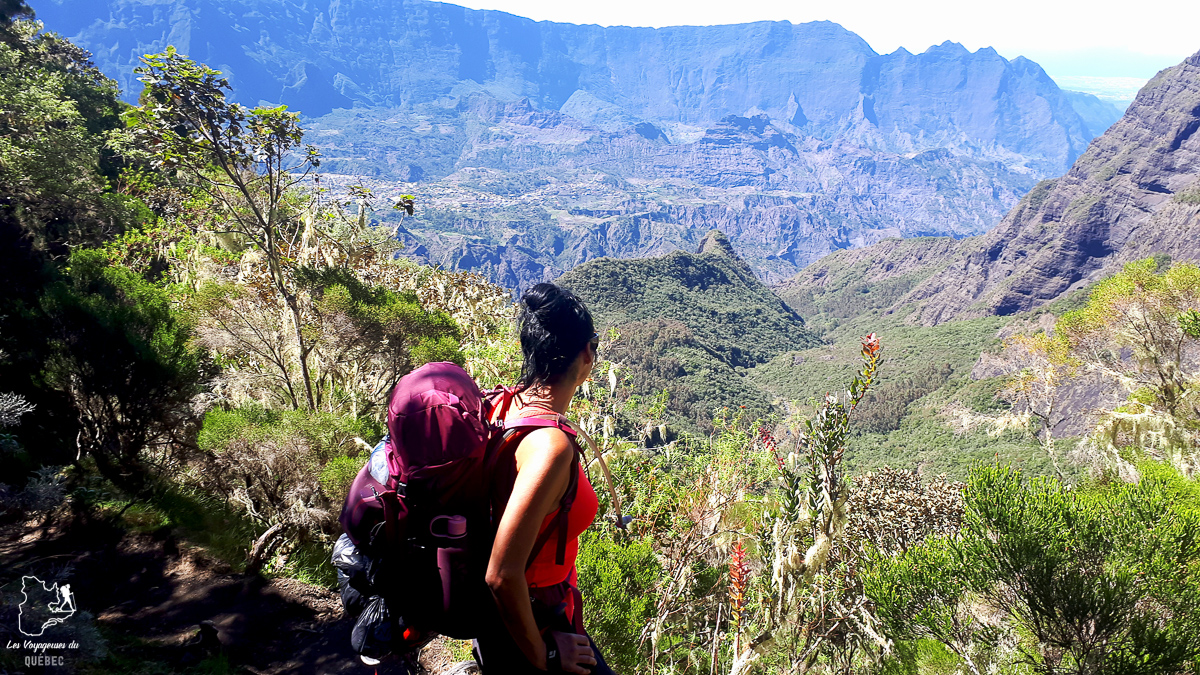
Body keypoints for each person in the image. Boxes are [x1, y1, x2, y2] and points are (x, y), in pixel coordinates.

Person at [478, 282, 616, 674]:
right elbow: (502, 575)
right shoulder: (551, 448)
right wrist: (544, 654)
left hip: (502, 621)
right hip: (534, 624)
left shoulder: (501, 405)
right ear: (587, 355)